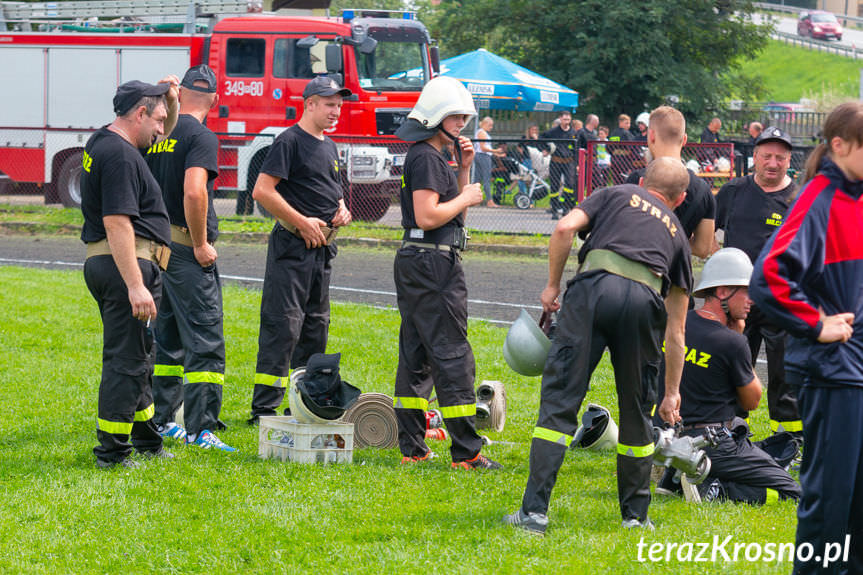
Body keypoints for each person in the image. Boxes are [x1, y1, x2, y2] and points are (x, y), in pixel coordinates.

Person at [504, 157, 693, 535]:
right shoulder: (678, 234)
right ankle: (636, 519)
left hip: (592, 293)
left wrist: (552, 287)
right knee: (637, 414)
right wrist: (671, 393)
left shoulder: (615, 193)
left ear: (642, 181)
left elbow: (563, 229)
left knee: (559, 405)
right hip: (645, 303)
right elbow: (677, 332)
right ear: (681, 198)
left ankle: (534, 515)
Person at [749, 102, 862, 575]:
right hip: (833, 372)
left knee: (855, 505)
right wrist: (817, 324)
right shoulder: (820, 198)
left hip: (857, 371)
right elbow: (768, 277)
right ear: (839, 146)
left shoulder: (856, 200)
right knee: (829, 502)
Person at [392, 76, 501, 470]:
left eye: (463, 116)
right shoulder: (425, 156)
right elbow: (427, 215)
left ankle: (413, 447)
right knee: (452, 353)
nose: (461, 123)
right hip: (432, 264)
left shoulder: (435, 156)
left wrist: (465, 172)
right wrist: (468, 193)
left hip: (423, 259)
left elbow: (454, 216)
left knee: (416, 352)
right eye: (454, 116)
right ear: (434, 117)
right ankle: (467, 453)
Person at [80, 76, 180, 468]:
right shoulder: (121, 156)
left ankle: (145, 440)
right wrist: (136, 285)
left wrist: (169, 100)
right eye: (157, 119)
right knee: (127, 359)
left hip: (114, 263)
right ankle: (112, 452)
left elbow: (159, 129)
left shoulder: (104, 142)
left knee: (140, 353)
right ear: (139, 113)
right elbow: (118, 221)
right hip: (127, 265)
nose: (161, 130)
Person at [656, 248, 801, 505]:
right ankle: (713, 487)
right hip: (714, 443)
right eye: (746, 292)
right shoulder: (731, 342)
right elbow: (752, 402)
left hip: (670, 435)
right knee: (791, 491)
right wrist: (740, 337)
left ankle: (676, 476)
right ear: (722, 292)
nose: (752, 301)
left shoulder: (678, 326)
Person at [248, 76, 353, 423]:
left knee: (315, 327)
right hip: (292, 246)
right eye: (328, 104)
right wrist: (301, 221)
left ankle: (304, 402)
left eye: (338, 105)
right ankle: (264, 408)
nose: (335, 111)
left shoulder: (329, 145)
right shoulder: (289, 141)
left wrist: (342, 209)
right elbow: (262, 191)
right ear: (309, 104)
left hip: (322, 250)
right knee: (284, 326)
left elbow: (332, 189)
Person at [145, 65, 234, 452]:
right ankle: (202, 428)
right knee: (205, 338)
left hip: (156, 249)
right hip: (185, 249)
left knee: (167, 340)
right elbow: (195, 192)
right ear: (214, 99)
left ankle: (164, 419)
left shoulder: (158, 131)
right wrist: (200, 244)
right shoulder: (200, 135)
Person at [714, 126, 800, 433]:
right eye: (767, 156)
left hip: (780, 300)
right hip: (735, 299)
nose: (773, 163)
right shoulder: (733, 192)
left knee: (785, 370)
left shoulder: (799, 198)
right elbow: (706, 233)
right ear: (755, 157)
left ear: (790, 159)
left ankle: (789, 438)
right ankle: (732, 430)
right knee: (731, 364)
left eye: (780, 157)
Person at [626, 106, 715, 259]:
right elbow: (702, 249)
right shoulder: (703, 190)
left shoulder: (637, 180)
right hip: (677, 274)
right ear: (684, 139)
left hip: (639, 273)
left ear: (651, 135)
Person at [542, 111, 579, 219]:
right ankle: (554, 210)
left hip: (569, 162)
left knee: (570, 185)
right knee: (554, 186)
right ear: (560, 119)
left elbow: (577, 149)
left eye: (568, 118)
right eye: (564, 118)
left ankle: (565, 208)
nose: (566, 120)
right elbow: (541, 138)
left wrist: (577, 164)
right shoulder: (553, 132)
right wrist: (546, 149)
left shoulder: (574, 133)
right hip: (556, 161)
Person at [472, 116, 504, 207]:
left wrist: (497, 154)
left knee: (477, 179)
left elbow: (484, 148)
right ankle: (489, 201)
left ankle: (474, 201)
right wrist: (496, 151)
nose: (491, 127)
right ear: (485, 124)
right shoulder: (482, 133)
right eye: (490, 125)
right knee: (486, 178)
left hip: (479, 155)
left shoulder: (480, 132)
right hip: (483, 156)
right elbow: (483, 148)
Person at [608, 114, 635, 185]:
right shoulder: (626, 133)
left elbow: (608, 148)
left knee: (616, 182)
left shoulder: (613, 133)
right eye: (627, 123)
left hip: (614, 161)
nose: (629, 125)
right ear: (620, 123)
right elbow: (633, 148)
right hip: (625, 162)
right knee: (624, 182)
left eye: (629, 123)